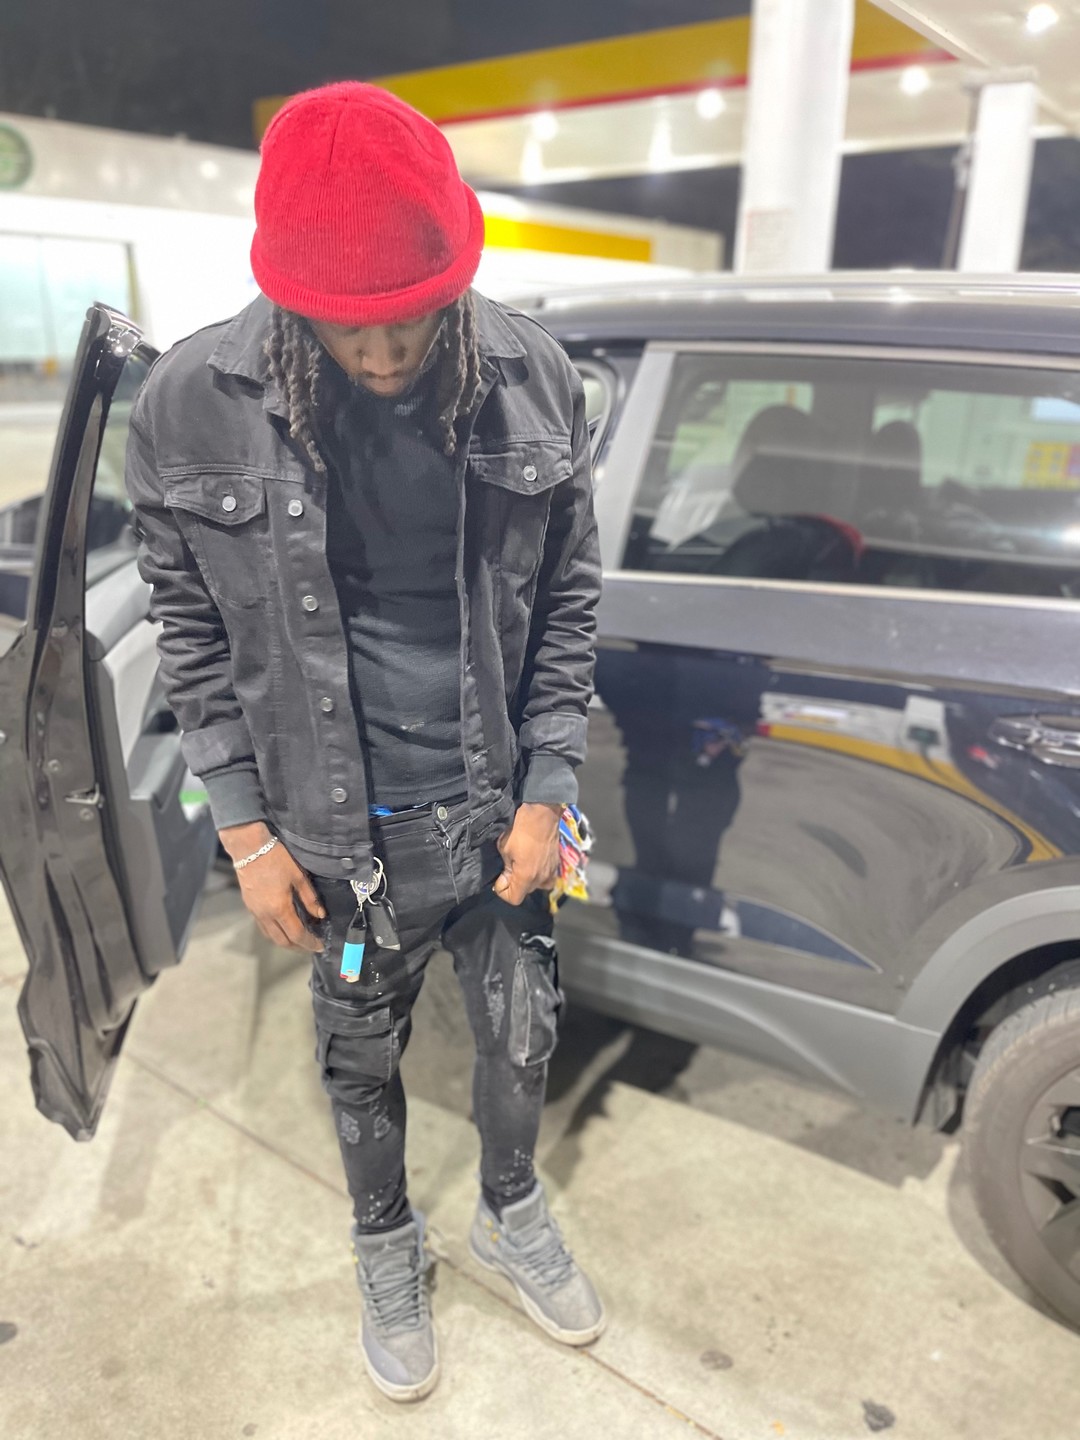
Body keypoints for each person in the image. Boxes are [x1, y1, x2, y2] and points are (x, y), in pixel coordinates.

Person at [124, 81, 604, 1403]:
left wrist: (550, 791)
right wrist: (244, 833)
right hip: (339, 841)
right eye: (350, 328)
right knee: (358, 1055)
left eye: (411, 319)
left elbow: (569, 602)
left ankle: (510, 1208)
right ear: (288, 295)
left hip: (497, 817)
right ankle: (384, 1240)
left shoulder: (534, 380)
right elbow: (188, 634)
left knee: (522, 1034)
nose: (385, 353)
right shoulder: (189, 405)